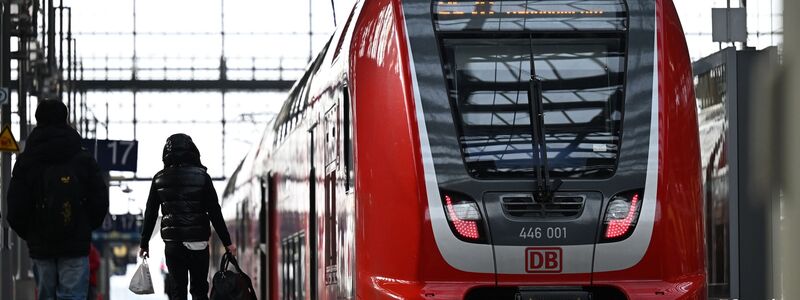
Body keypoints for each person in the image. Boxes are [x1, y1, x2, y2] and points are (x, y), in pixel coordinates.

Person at [6, 100, 110, 300]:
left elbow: (16, 206)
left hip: (41, 245)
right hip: (75, 244)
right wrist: (85, 225)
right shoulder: (83, 157)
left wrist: (31, 233)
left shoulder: (26, 161)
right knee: (72, 295)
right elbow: (99, 198)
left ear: (38, 120)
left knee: (46, 295)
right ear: (65, 118)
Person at [139, 133, 236, 300]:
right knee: (199, 290)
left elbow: (150, 213)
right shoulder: (203, 177)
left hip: (173, 244)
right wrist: (227, 242)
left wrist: (144, 243)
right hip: (198, 242)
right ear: (193, 152)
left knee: (178, 290)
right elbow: (214, 212)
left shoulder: (159, 179)